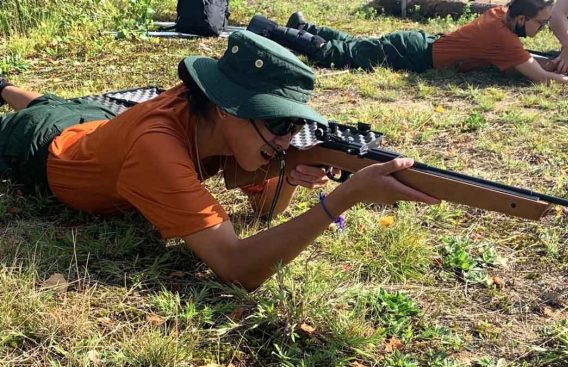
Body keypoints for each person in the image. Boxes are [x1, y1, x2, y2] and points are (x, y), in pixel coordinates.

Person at [0, 30, 438, 291]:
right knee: (42, 114)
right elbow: (236, 267)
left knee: (58, 102)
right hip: (44, 150)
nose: (288, 138)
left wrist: (289, 173)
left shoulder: (222, 124)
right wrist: (341, 200)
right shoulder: (157, 148)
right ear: (228, 108)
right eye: (280, 123)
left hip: (96, 122)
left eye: (294, 126)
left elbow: (266, 209)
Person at [247, 0, 568, 89]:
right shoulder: (504, 38)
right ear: (520, 19)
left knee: (357, 45)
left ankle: (303, 25)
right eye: (541, 22)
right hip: (416, 53)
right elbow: (535, 75)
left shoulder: (502, 15)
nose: (544, 28)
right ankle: (273, 30)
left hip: (419, 44)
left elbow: (525, 59)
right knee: (341, 56)